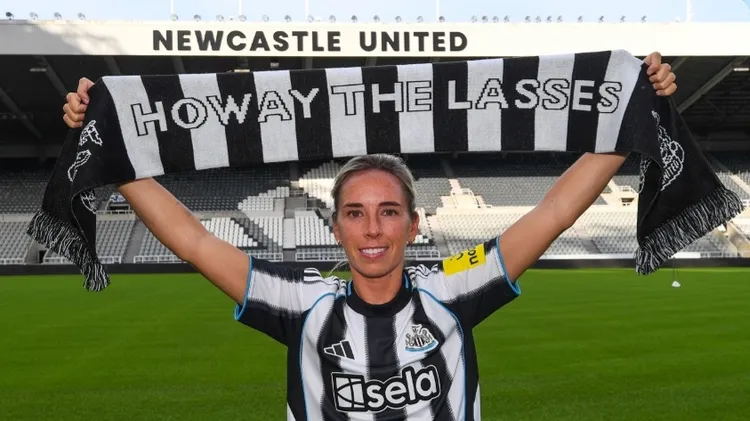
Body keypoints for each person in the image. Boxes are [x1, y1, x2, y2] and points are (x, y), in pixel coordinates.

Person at [63, 53, 677, 420]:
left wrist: (632, 110)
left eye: (388, 211)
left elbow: (554, 211)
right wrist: (108, 142)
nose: (373, 228)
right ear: (335, 228)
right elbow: (193, 240)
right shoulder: (301, 300)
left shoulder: (452, 285)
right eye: (355, 213)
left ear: (413, 224)